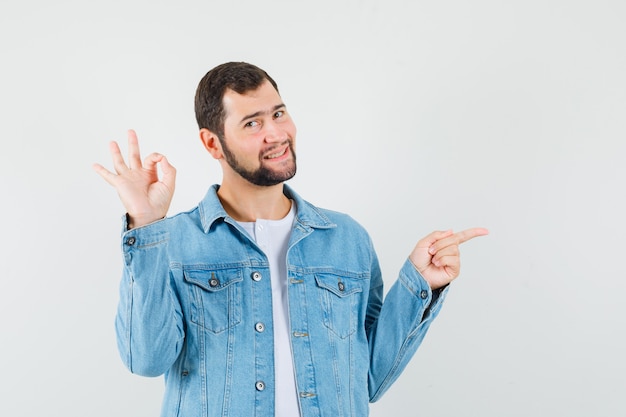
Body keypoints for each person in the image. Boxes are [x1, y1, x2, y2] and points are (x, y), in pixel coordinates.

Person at [93, 61, 488, 417]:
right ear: (213, 143)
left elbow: (369, 380)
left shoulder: (346, 239)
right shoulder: (174, 241)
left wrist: (418, 282)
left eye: (278, 113)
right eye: (252, 123)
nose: (276, 134)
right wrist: (145, 223)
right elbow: (145, 359)